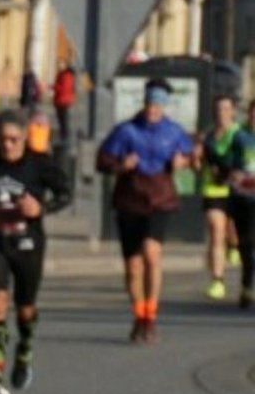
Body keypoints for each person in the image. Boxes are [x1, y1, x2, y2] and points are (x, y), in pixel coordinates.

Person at [0, 110, 71, 394]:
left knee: (25, 308)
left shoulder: (39, 163)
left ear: (25, 138)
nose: (7, 145)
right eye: (2, 139)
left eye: (14, 139)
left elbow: (65, 194)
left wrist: (41, 209)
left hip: (28, 243)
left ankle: (25, 348)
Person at [97, 78, 193, 343]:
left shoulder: (173, 131)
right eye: (150, 103)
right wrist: (121, 165)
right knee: (133, 266)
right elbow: (102, 161)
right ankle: (139, 315)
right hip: (130, 201)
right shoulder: (126, 131)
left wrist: (183, 161)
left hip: (160, 200)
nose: (153, 109)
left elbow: (192, 156)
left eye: (158, 105)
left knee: (151, 252)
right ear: (144, 103)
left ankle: (151, 315)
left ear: (164, 106)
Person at [197, 94, 240, 300]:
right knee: (216, 231)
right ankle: (217, 281)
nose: (222, 113)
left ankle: (234, 244)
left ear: (233, 111)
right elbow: (198, 164)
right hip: (213, 190)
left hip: (237, 189)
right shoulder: (207, 137)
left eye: (226, 109)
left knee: (233, 230)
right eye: (218, 109)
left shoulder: (239, 133)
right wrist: (196, 158)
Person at [229, 99, 255, 309]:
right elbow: (230, 164)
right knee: (246, 245)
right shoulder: (240, 137)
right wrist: (234, 174)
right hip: (243, 198)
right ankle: (247, 285)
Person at [52, 58, 76, 145]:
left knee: (63, 120)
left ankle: (65, 139)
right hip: (60, 100)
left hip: (64, 100)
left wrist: (53, 86)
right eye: (58, 63)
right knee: (61, 120)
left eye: (60, 64)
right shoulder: (62, 74)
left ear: (65, 65)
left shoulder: (67, 75)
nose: (59, 65)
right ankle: (63, 137)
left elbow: (64, 88)